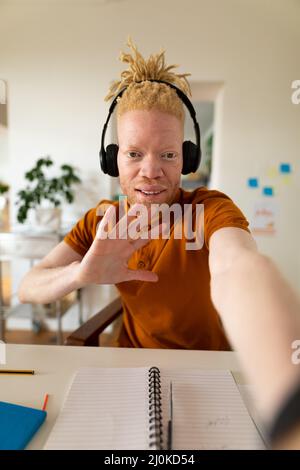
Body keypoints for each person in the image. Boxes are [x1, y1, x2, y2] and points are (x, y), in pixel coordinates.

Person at [16, 39, 267, 352]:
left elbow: (236, 259)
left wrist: (246, 282)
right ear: (113, 159)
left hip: (208, 364)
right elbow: (27, 288)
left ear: (187, 159)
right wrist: (79, 274)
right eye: (134, 153)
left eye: (168, 154)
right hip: (131, 363)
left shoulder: (209, 208)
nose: (151, 171)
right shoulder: (103, 220)